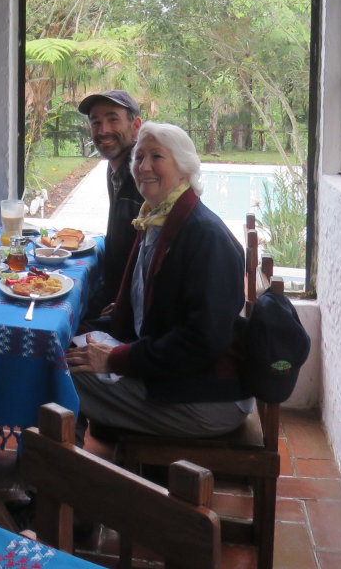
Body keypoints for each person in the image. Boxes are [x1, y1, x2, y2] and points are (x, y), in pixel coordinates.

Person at [66, 122, 251, 442]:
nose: (144, 167)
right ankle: (66, 461)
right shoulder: (156, 220)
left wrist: (115, 359)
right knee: (67, 346)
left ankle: (58, 475)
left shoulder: (205, 237)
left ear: (184, 169)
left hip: (210, 395)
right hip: (180, 374)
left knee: (61, 375)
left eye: (157, 157)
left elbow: (203, 343)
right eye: (138, 157)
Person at [77, 90, 144, 317]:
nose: (103, 131)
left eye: (113, 119)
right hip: (117, 293)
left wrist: (125, 304)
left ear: (135, 126)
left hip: (135, 307)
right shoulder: (115, 168)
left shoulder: (142, 176)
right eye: (96, 122)